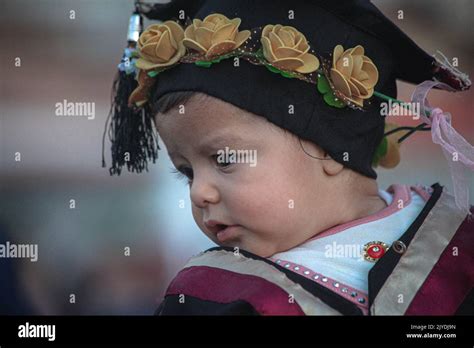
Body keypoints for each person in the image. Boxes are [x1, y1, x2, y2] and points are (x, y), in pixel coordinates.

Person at [103, 0, 474, 315]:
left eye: (225, 159)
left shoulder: (456, 249)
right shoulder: (212, 298)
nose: (199, 193)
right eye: (186, 172)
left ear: (329, 147)